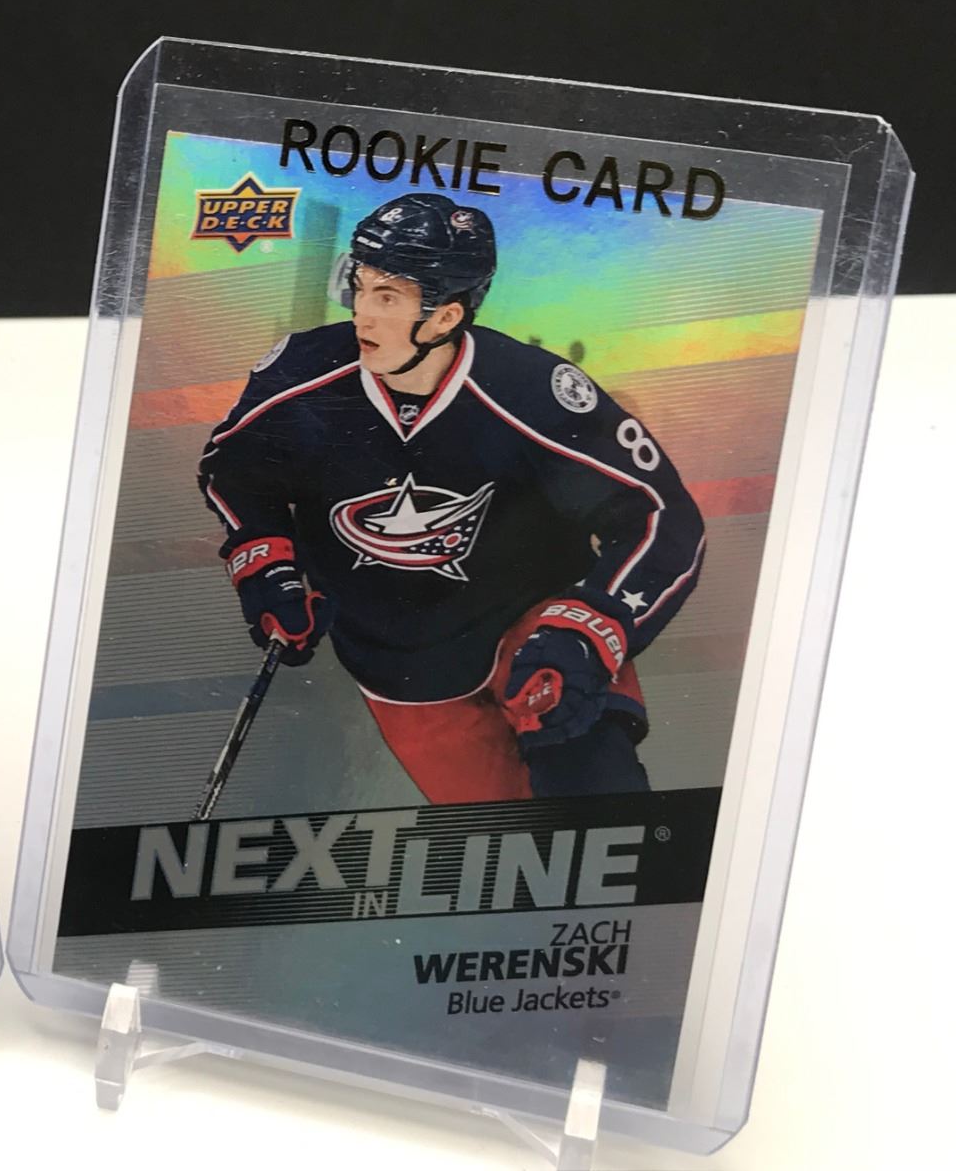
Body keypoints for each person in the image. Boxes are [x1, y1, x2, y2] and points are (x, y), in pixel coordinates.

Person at [198, 192, 705, 802]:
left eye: (389, 297)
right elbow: (233, 473)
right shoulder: (298, 376)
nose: (362, 316)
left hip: (535, 625)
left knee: (593, 797)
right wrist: (264, 562)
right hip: (403, 668)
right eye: (359, 287)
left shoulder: (533, 393)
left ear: (446, 316)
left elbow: (661, 515)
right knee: (503, 838)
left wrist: (593, 626)